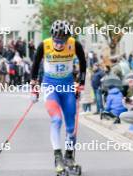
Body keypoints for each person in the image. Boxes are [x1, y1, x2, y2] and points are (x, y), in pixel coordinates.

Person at [30, 20, 86, 175]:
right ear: (52, 37)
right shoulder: (45, 45)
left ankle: (69, 157)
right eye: (57, 41)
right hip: (50, 86)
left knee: (70, 125)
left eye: (63, 41)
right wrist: (34, 89)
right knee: (56, 119)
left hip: (68, 86)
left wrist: (81, 82)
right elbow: (34, 66)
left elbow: (83, 62)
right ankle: (57, 156)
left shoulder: (74, 44)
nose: (60, 45)